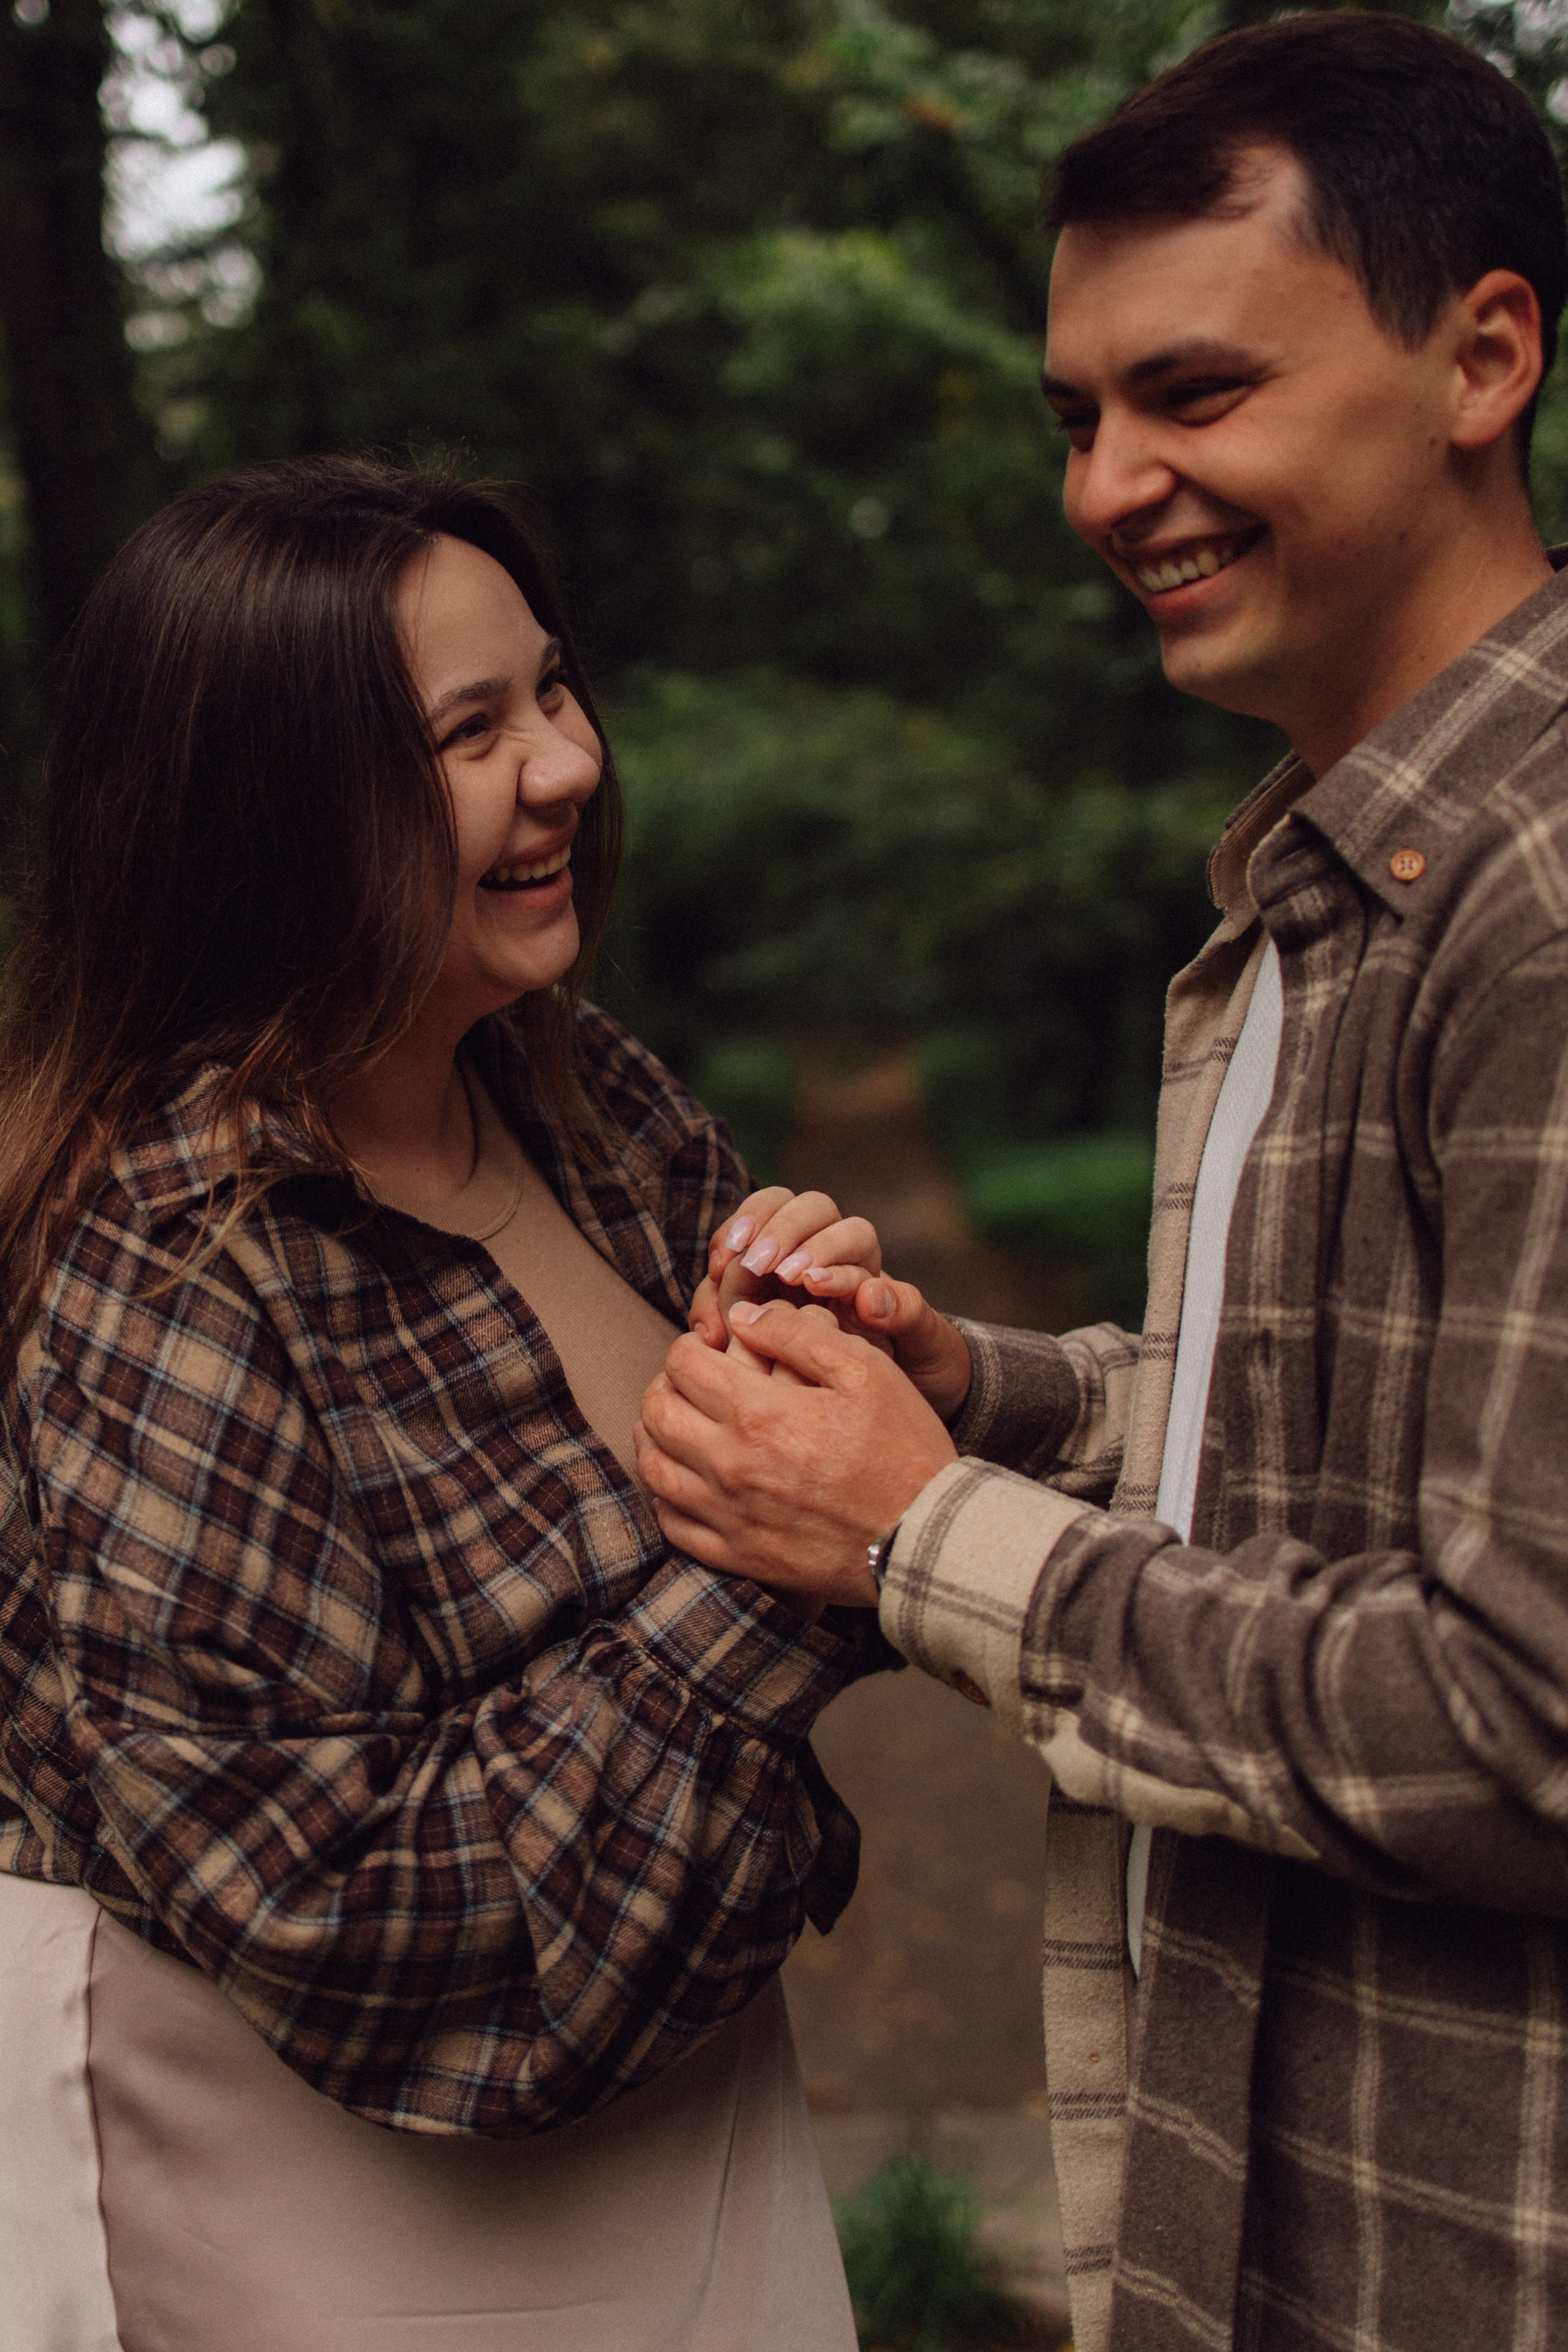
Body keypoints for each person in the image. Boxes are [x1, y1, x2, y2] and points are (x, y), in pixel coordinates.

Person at [634, 15, 1568, 2350]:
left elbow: (1519, 1716)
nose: (1107, 487)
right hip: (1273, 2211)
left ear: (1485, 358)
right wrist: (987, 1396)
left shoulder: (1543, 901)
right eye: (1078, 420)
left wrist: (916, 1538)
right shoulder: (1328, 883)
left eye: (1196, 393)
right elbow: (1352, 1455)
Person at [0, 454, 891, 2352]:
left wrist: (836, 1352)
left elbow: (829, 1478)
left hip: (675, 2096)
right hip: (329, 2205)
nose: (565, 765)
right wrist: (774, 1550)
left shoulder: (576, 1093)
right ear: (268, 815)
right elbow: (342, 1905)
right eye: (464, 733)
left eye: (551, 690)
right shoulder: (175, 1255)